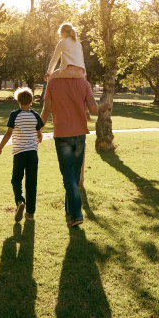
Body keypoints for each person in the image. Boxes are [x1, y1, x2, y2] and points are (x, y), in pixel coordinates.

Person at [40, 77, 105, 227]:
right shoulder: (83, 82)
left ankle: (76, 214)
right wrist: (104, 104)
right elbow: (94, 109)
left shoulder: (53, 82)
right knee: (74, 174)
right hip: (80, 134)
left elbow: (46, 109)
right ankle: (70, 214)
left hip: (62, 134)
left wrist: (40, 129)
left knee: (67, 174)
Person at [0, 87, 43, 222]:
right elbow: (39, 134)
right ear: (31, 101)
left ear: (18, 101)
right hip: (32, 153)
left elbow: (9, 133)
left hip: (19, 153)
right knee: (32, 182)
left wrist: (0, 148)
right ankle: (30, 213)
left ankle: (20, 201)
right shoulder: (35, 115)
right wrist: (38, 137)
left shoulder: (14, 114)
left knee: (16, 179)